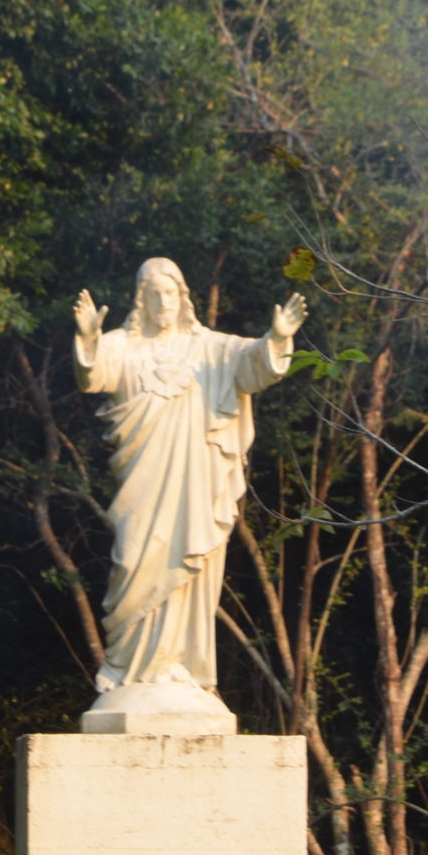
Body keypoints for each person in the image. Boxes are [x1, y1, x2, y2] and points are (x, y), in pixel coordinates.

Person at [73, 257, 307, 699]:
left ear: (183, 298)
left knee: (190, 563)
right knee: (133, 561)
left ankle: (180, 666)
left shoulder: (210, 348)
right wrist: (88, 338)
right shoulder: (123, 346)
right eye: (154, 294)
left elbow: (252, 364)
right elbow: (93, 372)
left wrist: (277, 338)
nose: (163, 302)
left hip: (195, 483)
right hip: (142, 483)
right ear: (141, 300)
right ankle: (126, 667)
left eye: (171, 293)